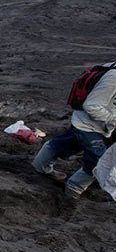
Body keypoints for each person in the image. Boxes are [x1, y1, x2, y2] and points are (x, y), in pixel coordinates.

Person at [33, 62, 116, 198]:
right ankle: (73, 191)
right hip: (89, 125)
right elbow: (91, 105)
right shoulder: (114, 78)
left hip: (86, 121)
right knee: (98, 162)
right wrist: (113, 120)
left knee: (66, 143)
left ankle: (39, 166)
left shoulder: (111, 67)